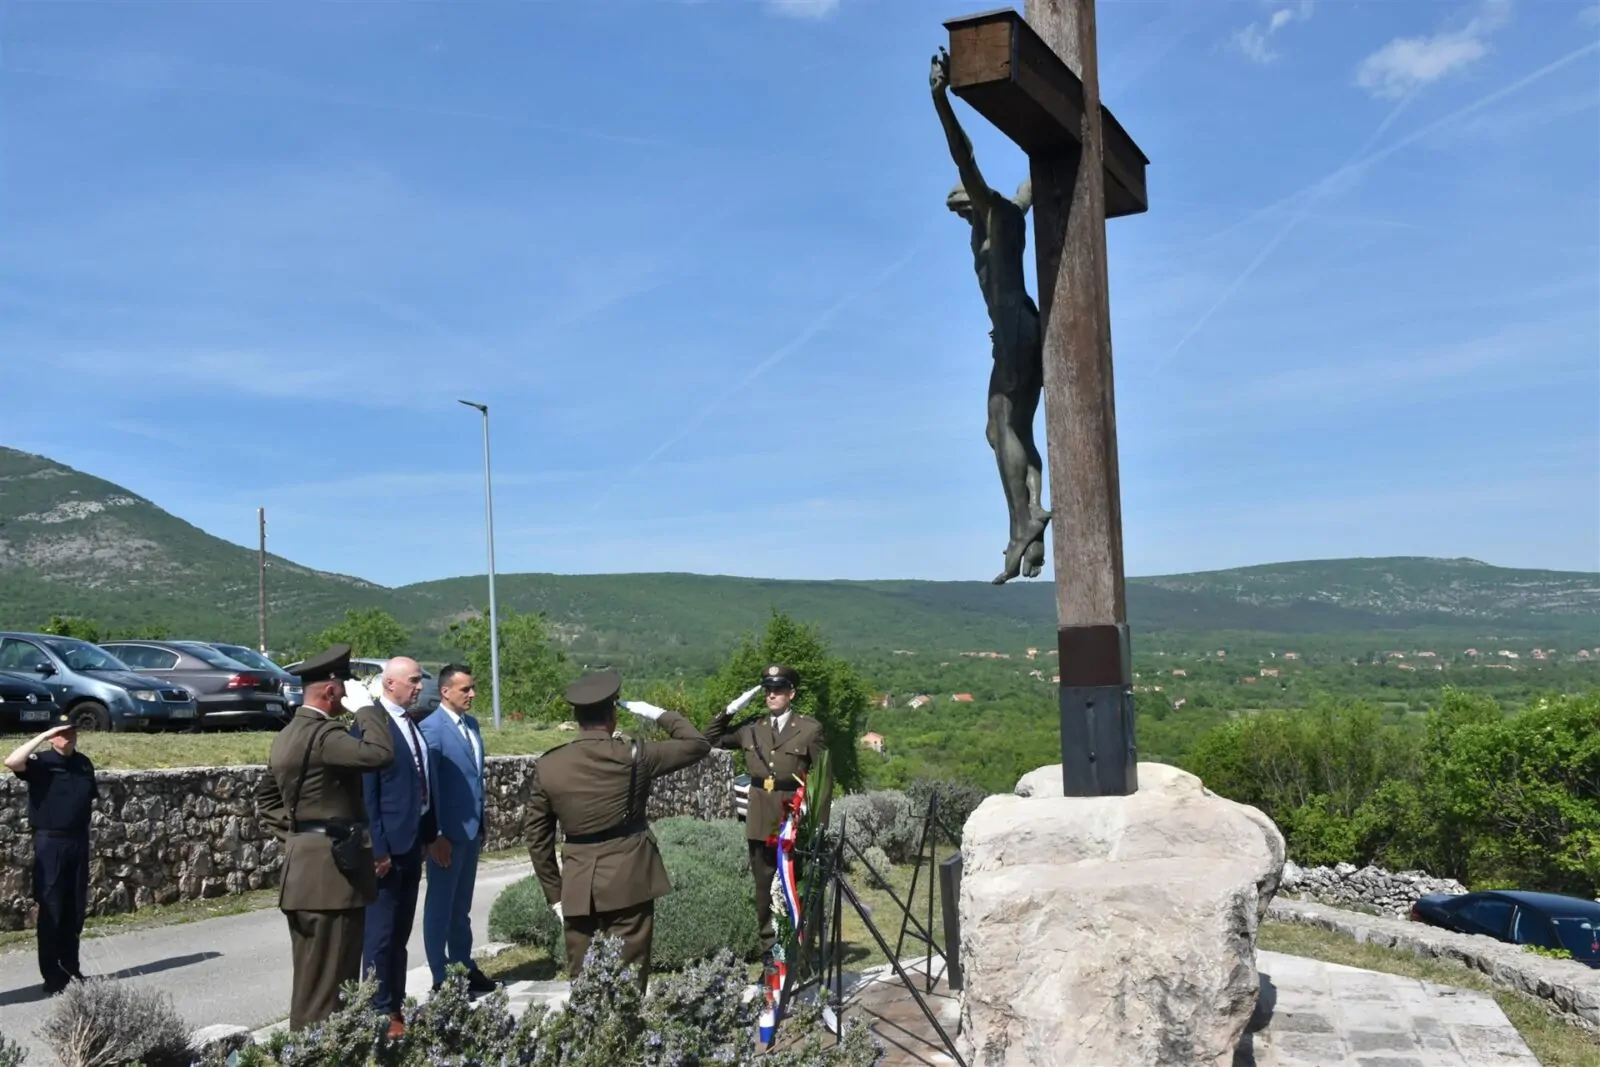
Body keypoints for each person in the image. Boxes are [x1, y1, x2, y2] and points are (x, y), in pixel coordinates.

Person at [930, 44, 1050, 585]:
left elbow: (965, 158)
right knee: (1006, 426)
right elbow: (1031, 186)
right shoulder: (1009, 215)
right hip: (1022, 328)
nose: (956, 205)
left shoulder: (996, 216)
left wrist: (941, 100)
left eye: (961, 200)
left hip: (1014, 328)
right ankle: (1033, 519)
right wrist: (1046, 135)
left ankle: (1021, 525)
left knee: (1001, 425)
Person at [522, 669, 710, 988]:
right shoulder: (636, 755)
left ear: (578, 717)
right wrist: (657, 712)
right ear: (612, 714)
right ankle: (623, 1037)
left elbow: (536, 838)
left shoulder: (549, 764)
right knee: (628, 980)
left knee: (584, 981)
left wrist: (555, 894)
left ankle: (589, 1036)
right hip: (630, 879)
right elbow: (697, 744)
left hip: (578, 886)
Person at [254, 643, 395, 1032]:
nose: (348, 694)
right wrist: (367, 709)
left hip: (305, 871)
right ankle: (315, 1055)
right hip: (332, 879)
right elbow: (380, 754)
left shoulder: (286, 735)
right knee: (330, 991)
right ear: (331, 691)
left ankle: (312, 1051)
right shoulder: (325, 736)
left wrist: (301, 837)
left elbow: (267, 800)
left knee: (313, 982)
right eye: (345, 687)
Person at [705, 664, 829, 960]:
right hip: (760, 819)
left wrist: (820, 826)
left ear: (791, 693)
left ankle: (798, 952)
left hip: (793, 819)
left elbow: (824, 778)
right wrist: (734, 706)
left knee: (795, 887)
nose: (772, 695)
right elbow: (710, 737)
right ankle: (770, 956)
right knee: (763, 891)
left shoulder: (809, 729)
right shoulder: (752, 728)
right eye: (768, 690)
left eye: (779, 690)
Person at [355, 657, 437, 1038]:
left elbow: (421, 782)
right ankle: (376, 1008)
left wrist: (427, 834)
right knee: (381, 934)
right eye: (414, 681)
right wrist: (378, 849)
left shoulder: (411, 724)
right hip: (387, 849)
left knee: (400, 934)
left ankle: (395, 1003)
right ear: (390, 683)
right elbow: (367, 793)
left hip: (411, 844)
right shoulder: (373, 723)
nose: (420, 687)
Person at [418, 663, 497, 995]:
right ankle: (440, 974)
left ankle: (463, 965)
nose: (473, 694)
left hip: (470, 831)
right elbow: (426, 788)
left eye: (473, 687)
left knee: (460, 906)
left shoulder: (472, 725)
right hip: (445, 836)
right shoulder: (431, 730)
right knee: (440, 905)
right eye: (466, 689)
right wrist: (434, 834)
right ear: (446, 692)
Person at [5, 712, 97, 995]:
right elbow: (12, 761)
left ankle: (72, 968)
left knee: (75, 910)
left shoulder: (83, 763)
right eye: (62, 732)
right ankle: (52, 975)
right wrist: (43, 736)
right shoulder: (41, 763)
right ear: (52, 736)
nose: (68, 736)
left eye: (72, 732)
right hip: (51, 843)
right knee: (52, 910)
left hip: (77, 841)